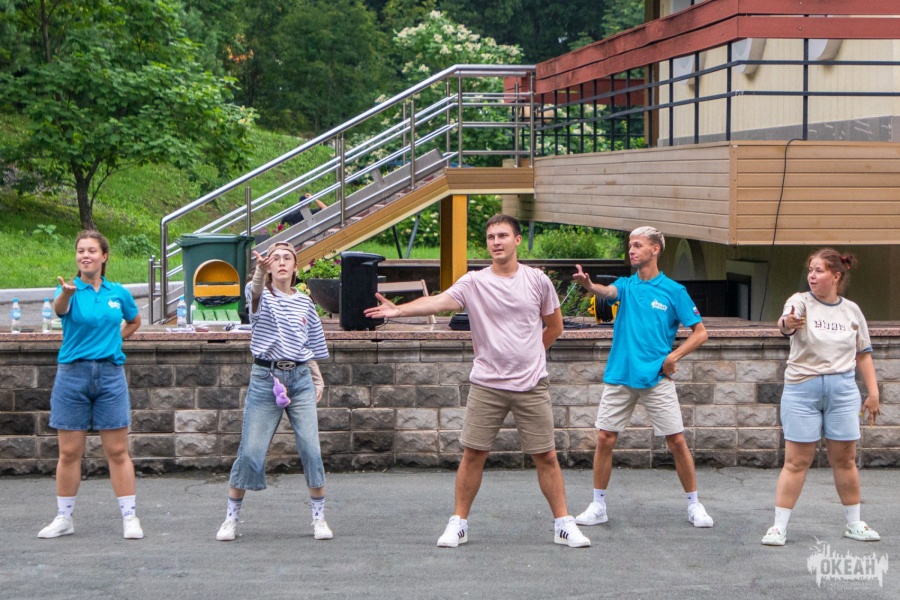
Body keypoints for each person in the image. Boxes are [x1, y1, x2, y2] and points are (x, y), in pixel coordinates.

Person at [364, 214, 591, 548]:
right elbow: (438, 301)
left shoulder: (537, 281)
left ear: (517, 240)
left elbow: (554, 326)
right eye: (490, 237)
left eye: (503, 235)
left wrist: (532, 354)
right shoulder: (474, 282)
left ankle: (563, 524)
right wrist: (400, 311)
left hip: (531, 384)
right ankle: (458, 523)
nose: (496, 242)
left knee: (546, 456)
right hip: (487, 384)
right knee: (473, 454)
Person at [572, 226, 714, 529]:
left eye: (638, 245)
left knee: (676, 441)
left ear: (655, 249)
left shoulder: (674, 291)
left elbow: (700, 333)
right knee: (605, 438)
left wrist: (673, 357)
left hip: (656, 377)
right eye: (630, 245)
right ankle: (598, 506)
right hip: (620, 374)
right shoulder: (626, 285)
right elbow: (607, 292)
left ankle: (694, 504)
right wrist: (589, 285)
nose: (631, 250)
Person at [761, 249, 880, 546]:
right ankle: (778, 527)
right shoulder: (800, 301)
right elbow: (785, 322)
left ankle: (855, 523)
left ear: (836, 276)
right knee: (796, 461)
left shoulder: (851, 310)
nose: (812, 276)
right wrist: (788, 322)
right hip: (802, 389)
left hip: (843, 391)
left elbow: (863, 354)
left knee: (845, 459)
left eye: (819, 271)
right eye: (810, 270)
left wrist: (873, 392)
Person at [216, 241, 331, 542]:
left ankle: (319, 518)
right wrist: (259, 271)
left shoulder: (305, 303)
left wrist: (317, 379)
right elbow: (254, 292)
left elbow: (307, 346)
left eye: (287, 258)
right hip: (266, 378)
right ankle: (230, 519)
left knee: (311, 449)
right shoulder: (261, 295)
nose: (281, 262)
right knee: (250, 451)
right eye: (275, 258)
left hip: (300, 378)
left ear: (295, 267)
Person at [38, 230, 143, 540]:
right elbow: (59, 309)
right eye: (81, 251)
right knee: (69, 452)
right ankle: (64, 518)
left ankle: (130, 517)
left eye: (92, 250)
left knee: (118, 450)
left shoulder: (118, 292)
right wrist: (66, 293)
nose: (85, 255)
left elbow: (134, 320)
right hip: (73, 375)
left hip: (110, 375)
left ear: (104, 256)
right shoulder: (68, 290)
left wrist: (115, 340)